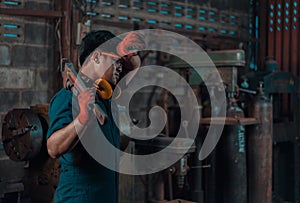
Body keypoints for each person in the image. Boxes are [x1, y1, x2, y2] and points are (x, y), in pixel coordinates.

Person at [46, 30, 141, 203]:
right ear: (96, 57)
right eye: (116, 60)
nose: (120, 66)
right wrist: (82, 119)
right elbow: (53, 148)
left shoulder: (106, 96)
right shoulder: (67, 98)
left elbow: (134, 65)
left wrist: (126, 49)